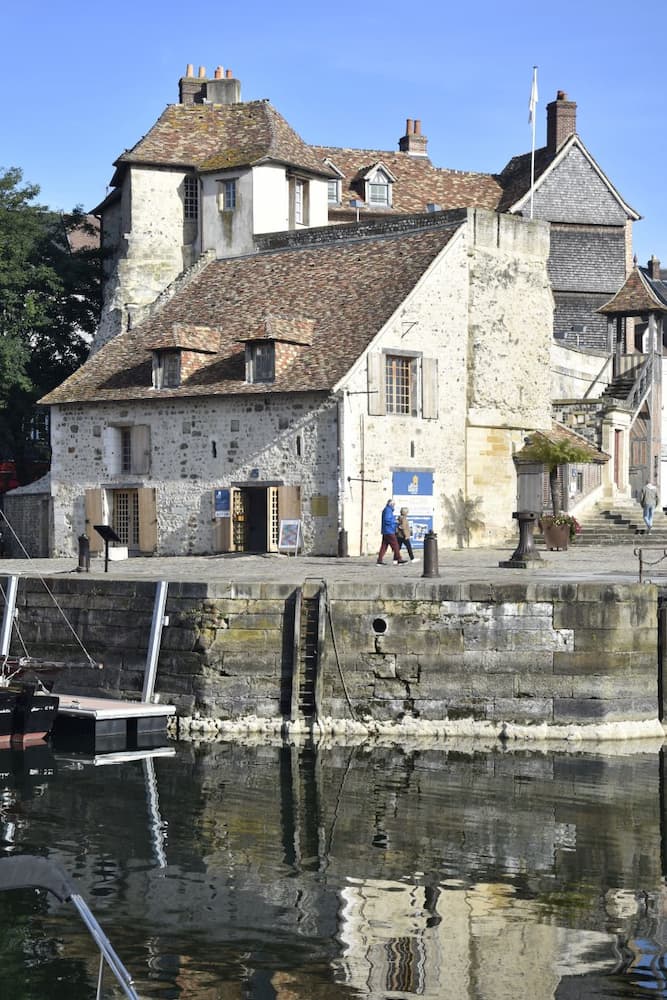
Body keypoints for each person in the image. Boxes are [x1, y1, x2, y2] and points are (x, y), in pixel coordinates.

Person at [376, 499, 405, 565]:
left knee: (384, 546)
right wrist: (395, 522)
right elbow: (387, 520)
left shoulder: (386, 510)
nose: (394, 506)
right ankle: (399, 559)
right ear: (391, 504)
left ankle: (379, 560)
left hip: (386, 531)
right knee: (396, 545)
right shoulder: (388, 510)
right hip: (389, 531)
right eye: (393, 504)